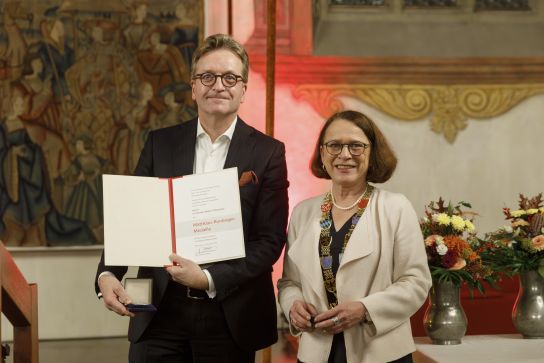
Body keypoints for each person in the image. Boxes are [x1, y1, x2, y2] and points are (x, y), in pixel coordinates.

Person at [95, 34, 289, 363]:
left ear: (243, 88)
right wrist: (107, 275)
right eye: (207, 76)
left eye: (230, 77)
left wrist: (209, 279)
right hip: (159, 311)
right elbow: (133, 216)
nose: (218, 85)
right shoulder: (160, 143)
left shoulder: (268, 152)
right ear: (193, 86)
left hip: (230, 314)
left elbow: (269, 241)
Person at [277, 110, 431, 363]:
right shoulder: (303, 212)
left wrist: (365, 309)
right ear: (323, 153)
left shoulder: (395, 207)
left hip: (379, 352)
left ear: (372, 154)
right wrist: (293, 305)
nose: (344, 155)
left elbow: (415, 282)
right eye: (334, 145)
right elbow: (289, 283)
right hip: (316, 351)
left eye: (356, 146)